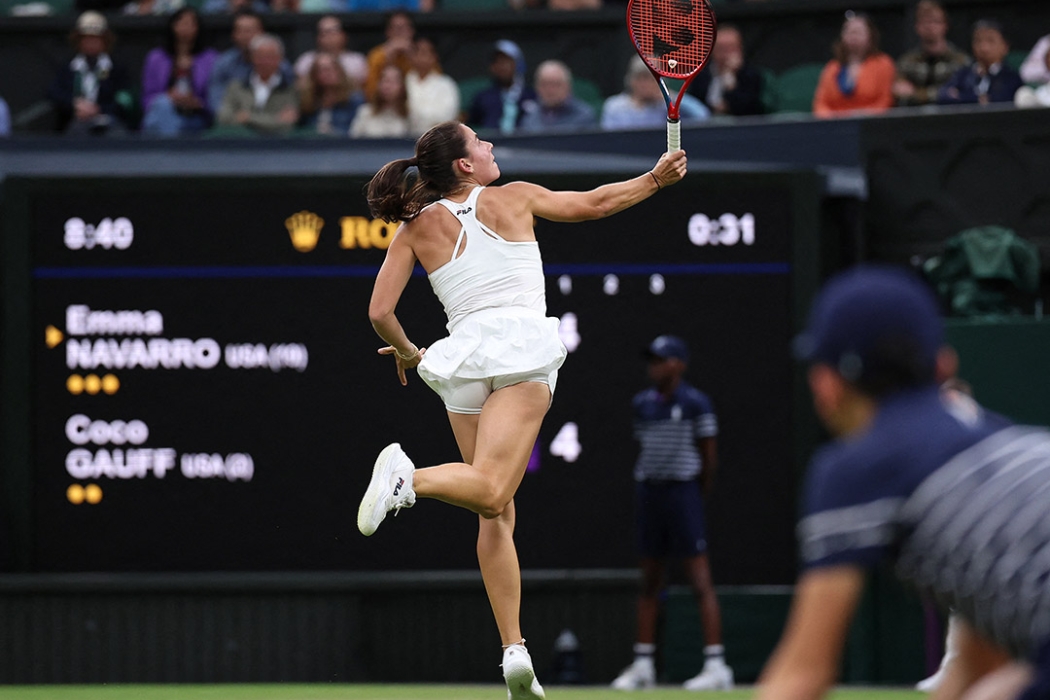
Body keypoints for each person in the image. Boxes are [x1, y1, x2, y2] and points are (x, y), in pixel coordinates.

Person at [358, 120, 687, 700]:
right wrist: (655, 180)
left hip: (459, 361)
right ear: (464, 165)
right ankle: (409, 478)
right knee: (490, 493)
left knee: (495, 509)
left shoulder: (413, 230)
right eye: (478, 142)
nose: (488, 146)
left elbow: (380, 311)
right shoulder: (514, 197)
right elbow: (596, 203)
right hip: (519, 352)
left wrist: (411, 354)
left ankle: (515, 652)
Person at [756, 264, 1050, 700]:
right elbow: (980, 665)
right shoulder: (994, 445)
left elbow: (802, 677)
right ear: (942, 366)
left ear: (827, 383)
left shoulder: (855, 468)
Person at [611, 335, 733, 692]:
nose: (654, 367)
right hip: (651, 493)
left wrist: (694, 495)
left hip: (683, 493)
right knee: (649, 581)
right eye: (652, 360)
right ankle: (644, 665)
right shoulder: (642, 404)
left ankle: (716, 666)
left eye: (661, 360)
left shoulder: (697, 404)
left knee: (699, 580)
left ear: (678, 364)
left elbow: (709, 459)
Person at [47, 11, 135, 136]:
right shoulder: (68, 67)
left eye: (95, 38)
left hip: (109, 121)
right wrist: (75, 105)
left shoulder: (116, 68)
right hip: (76, 122)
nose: (91, 43)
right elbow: (53, 92)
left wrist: (99, 109)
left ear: (105, 40)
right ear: (78, 41)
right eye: (86, 38)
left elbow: (125, 99)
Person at [141, 8, 219, 137]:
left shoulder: (211, 58)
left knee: (156, 121)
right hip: (162, 110)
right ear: (172, 26)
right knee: (163, 105)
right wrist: (170, 97)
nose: (185, 28)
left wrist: (197, 103)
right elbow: (146, 98)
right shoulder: (156, 58)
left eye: (190, 24)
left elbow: (215, 96)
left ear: (198, 28)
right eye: (181, 23)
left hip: (195, 117)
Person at [207, 10, 293, 116]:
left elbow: (289, 106)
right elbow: (216, 103)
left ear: (262, 32)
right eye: (241, 31)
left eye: (250, 31)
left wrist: (253, 119)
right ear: (234, 35)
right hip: (234, 127)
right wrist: (231, 117)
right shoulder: (223, 63)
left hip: (272, 126)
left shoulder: (281, 65)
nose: (246, 36)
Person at [812, 11, 896, 118]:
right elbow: (820, 104)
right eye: (849, 31)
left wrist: (864, 115)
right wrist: (832, 119)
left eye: (858, 32)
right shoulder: (832, 67)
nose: (853, 36)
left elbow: (886, 101)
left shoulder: (883, 64)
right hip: (836, 126)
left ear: (871, 36)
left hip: (871, 125)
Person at [216, 34, 299, 135]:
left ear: (280, 59)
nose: (265, 62)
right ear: (252, 58)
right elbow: (224, 119)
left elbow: (287, 124)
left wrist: (247, 117)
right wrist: (274, 120)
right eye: (260, 57)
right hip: (241, 144)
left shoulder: (290, 89)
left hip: (278, 147)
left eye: (270, 57)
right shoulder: (236, 87)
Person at [893, 0, 971, 108]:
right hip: (914, 120)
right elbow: (900, 93)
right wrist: (941, 93)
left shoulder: (961, 60)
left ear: (945, 25)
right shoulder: (906, 62)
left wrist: (916, 93)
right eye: (925, 22)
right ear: (917, 26)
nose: (930, 27)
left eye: (935, 21)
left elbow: (962, 96)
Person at [601, 56, 708, 130]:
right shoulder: (615, 106)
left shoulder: (666, 105)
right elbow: (610, 138)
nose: (646, 84)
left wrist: (670, 96)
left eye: (652, 79)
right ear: (631, 81)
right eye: (641, 78)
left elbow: (702, 115)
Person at [938, 20, 1024, 107]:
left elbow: (1000, 100)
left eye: (991, 41)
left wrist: (961, 96)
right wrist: (977, 99)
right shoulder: (963, 74)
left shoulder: (1012, 78)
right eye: (978, 41)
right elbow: (944, 96)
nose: (984, 48)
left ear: (1005, 46)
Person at [689, 25, 765, 116]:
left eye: (731, 48)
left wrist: (730, 80)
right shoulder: (700, 74)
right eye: (721, 48)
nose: (726, 54)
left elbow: (747, 108)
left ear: (740, 49)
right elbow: (695, 104)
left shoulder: (751, 75)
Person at [467, 40, 538, 134]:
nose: (502, 67)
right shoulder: (482, 97)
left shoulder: (532, 95)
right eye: (497, 62)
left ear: (517, 64)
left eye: (506, 62)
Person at [293, 15, 367, 95]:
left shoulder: (357, 61)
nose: (329, 37)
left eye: (332, 32)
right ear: (318, 37)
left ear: (343, 35)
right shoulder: (306, 60)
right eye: (324, 33)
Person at [518, 60, 597, 132]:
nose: (550, 90)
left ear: (567, 86)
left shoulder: (584, 117)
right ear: (537, 87)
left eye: (555, 84)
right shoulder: (530, 117)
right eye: (544, 84)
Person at [298, 52, 362, 136]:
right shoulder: (309, 101)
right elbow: (301, 130)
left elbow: (357, 132)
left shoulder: (354, 100)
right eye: (321, 70)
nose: (327, 74)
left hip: (343, 146)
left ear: (340, 71)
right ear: (314, 75)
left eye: (331, 69)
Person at [405, 37, 459, 137]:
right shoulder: (403, 81)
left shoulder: (446, 84)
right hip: (405, 138)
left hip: (437, 139)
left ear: (434, 57)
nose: (421, 56)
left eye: (425, 52)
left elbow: (447, 116)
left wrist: (417, 115)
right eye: (417, 52)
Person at [363, 11, 415, 101]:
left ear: (411, 31)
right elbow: (370, 91)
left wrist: (412, 57)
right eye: (396, 28)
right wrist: (387, 58)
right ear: (388, 32)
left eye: (403, 28)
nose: (400, 33)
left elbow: (432, 83)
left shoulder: (421, 53)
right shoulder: (376, 55)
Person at [349, 63, 410, 138]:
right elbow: (353, 143)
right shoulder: (365, 113)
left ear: (402, 86)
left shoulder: (411, 115)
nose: (387, 86)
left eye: (393, 81)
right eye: (384, 81)